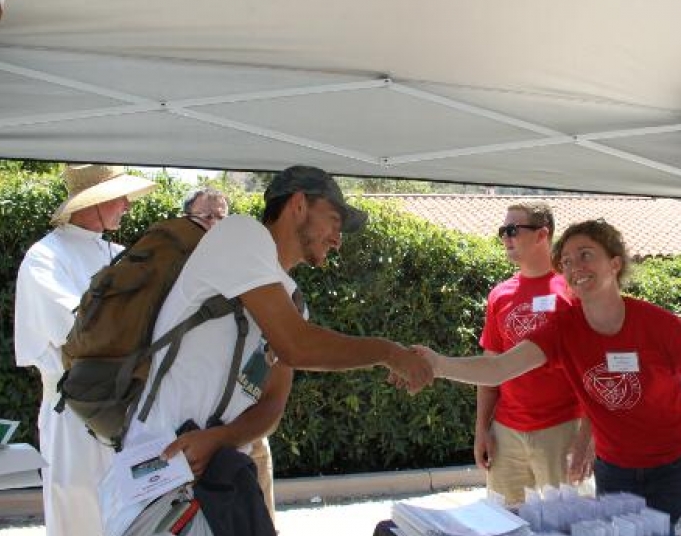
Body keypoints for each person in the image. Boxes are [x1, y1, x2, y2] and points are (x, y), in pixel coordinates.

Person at [103, 165, 434, 533]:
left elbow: (271, 406)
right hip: (158, 480)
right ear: (297, 204)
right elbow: (296, 346)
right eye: (334, 221)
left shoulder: (292, 301)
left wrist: (219, 439)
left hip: (215, 489)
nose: (338, 240)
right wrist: (388, 351)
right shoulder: (240, 234)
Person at [417, 219, 681, 527]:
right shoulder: (563, 329)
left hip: (677, 465)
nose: (575, 268)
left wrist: (679, 399)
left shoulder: (657, 324)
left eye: (585, 255)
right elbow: (499, 367)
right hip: (616, 469)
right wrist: (438, 364)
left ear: (615, 264)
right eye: (567, 262)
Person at [14, 164, 157, 536]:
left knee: (132, 509)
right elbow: (78, 328)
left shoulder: (124, 256)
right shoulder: (45, 257)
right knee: (77, 506)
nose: (127, 204)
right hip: (73, 408)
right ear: (96, 202)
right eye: (119, 196)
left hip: (128, 405)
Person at [180, 185, 290, 525]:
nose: (214, 225)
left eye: (221, 218)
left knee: (259, 516)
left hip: (249, 427)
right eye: (205, 217)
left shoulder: (253, 272)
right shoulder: (182, 275)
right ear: (187, 220)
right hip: (196, 436)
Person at [476, 202, 591, 505]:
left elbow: (593, 368)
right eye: (503, 231)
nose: (505, 238)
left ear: (542, 234)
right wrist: (481, 430)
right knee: (503, 523)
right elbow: (489, 369)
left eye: (513, 230)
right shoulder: (499, 295)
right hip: (506, 433)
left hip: (563, 429)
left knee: (568, 524)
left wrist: (586, 438)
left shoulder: (573, 290)